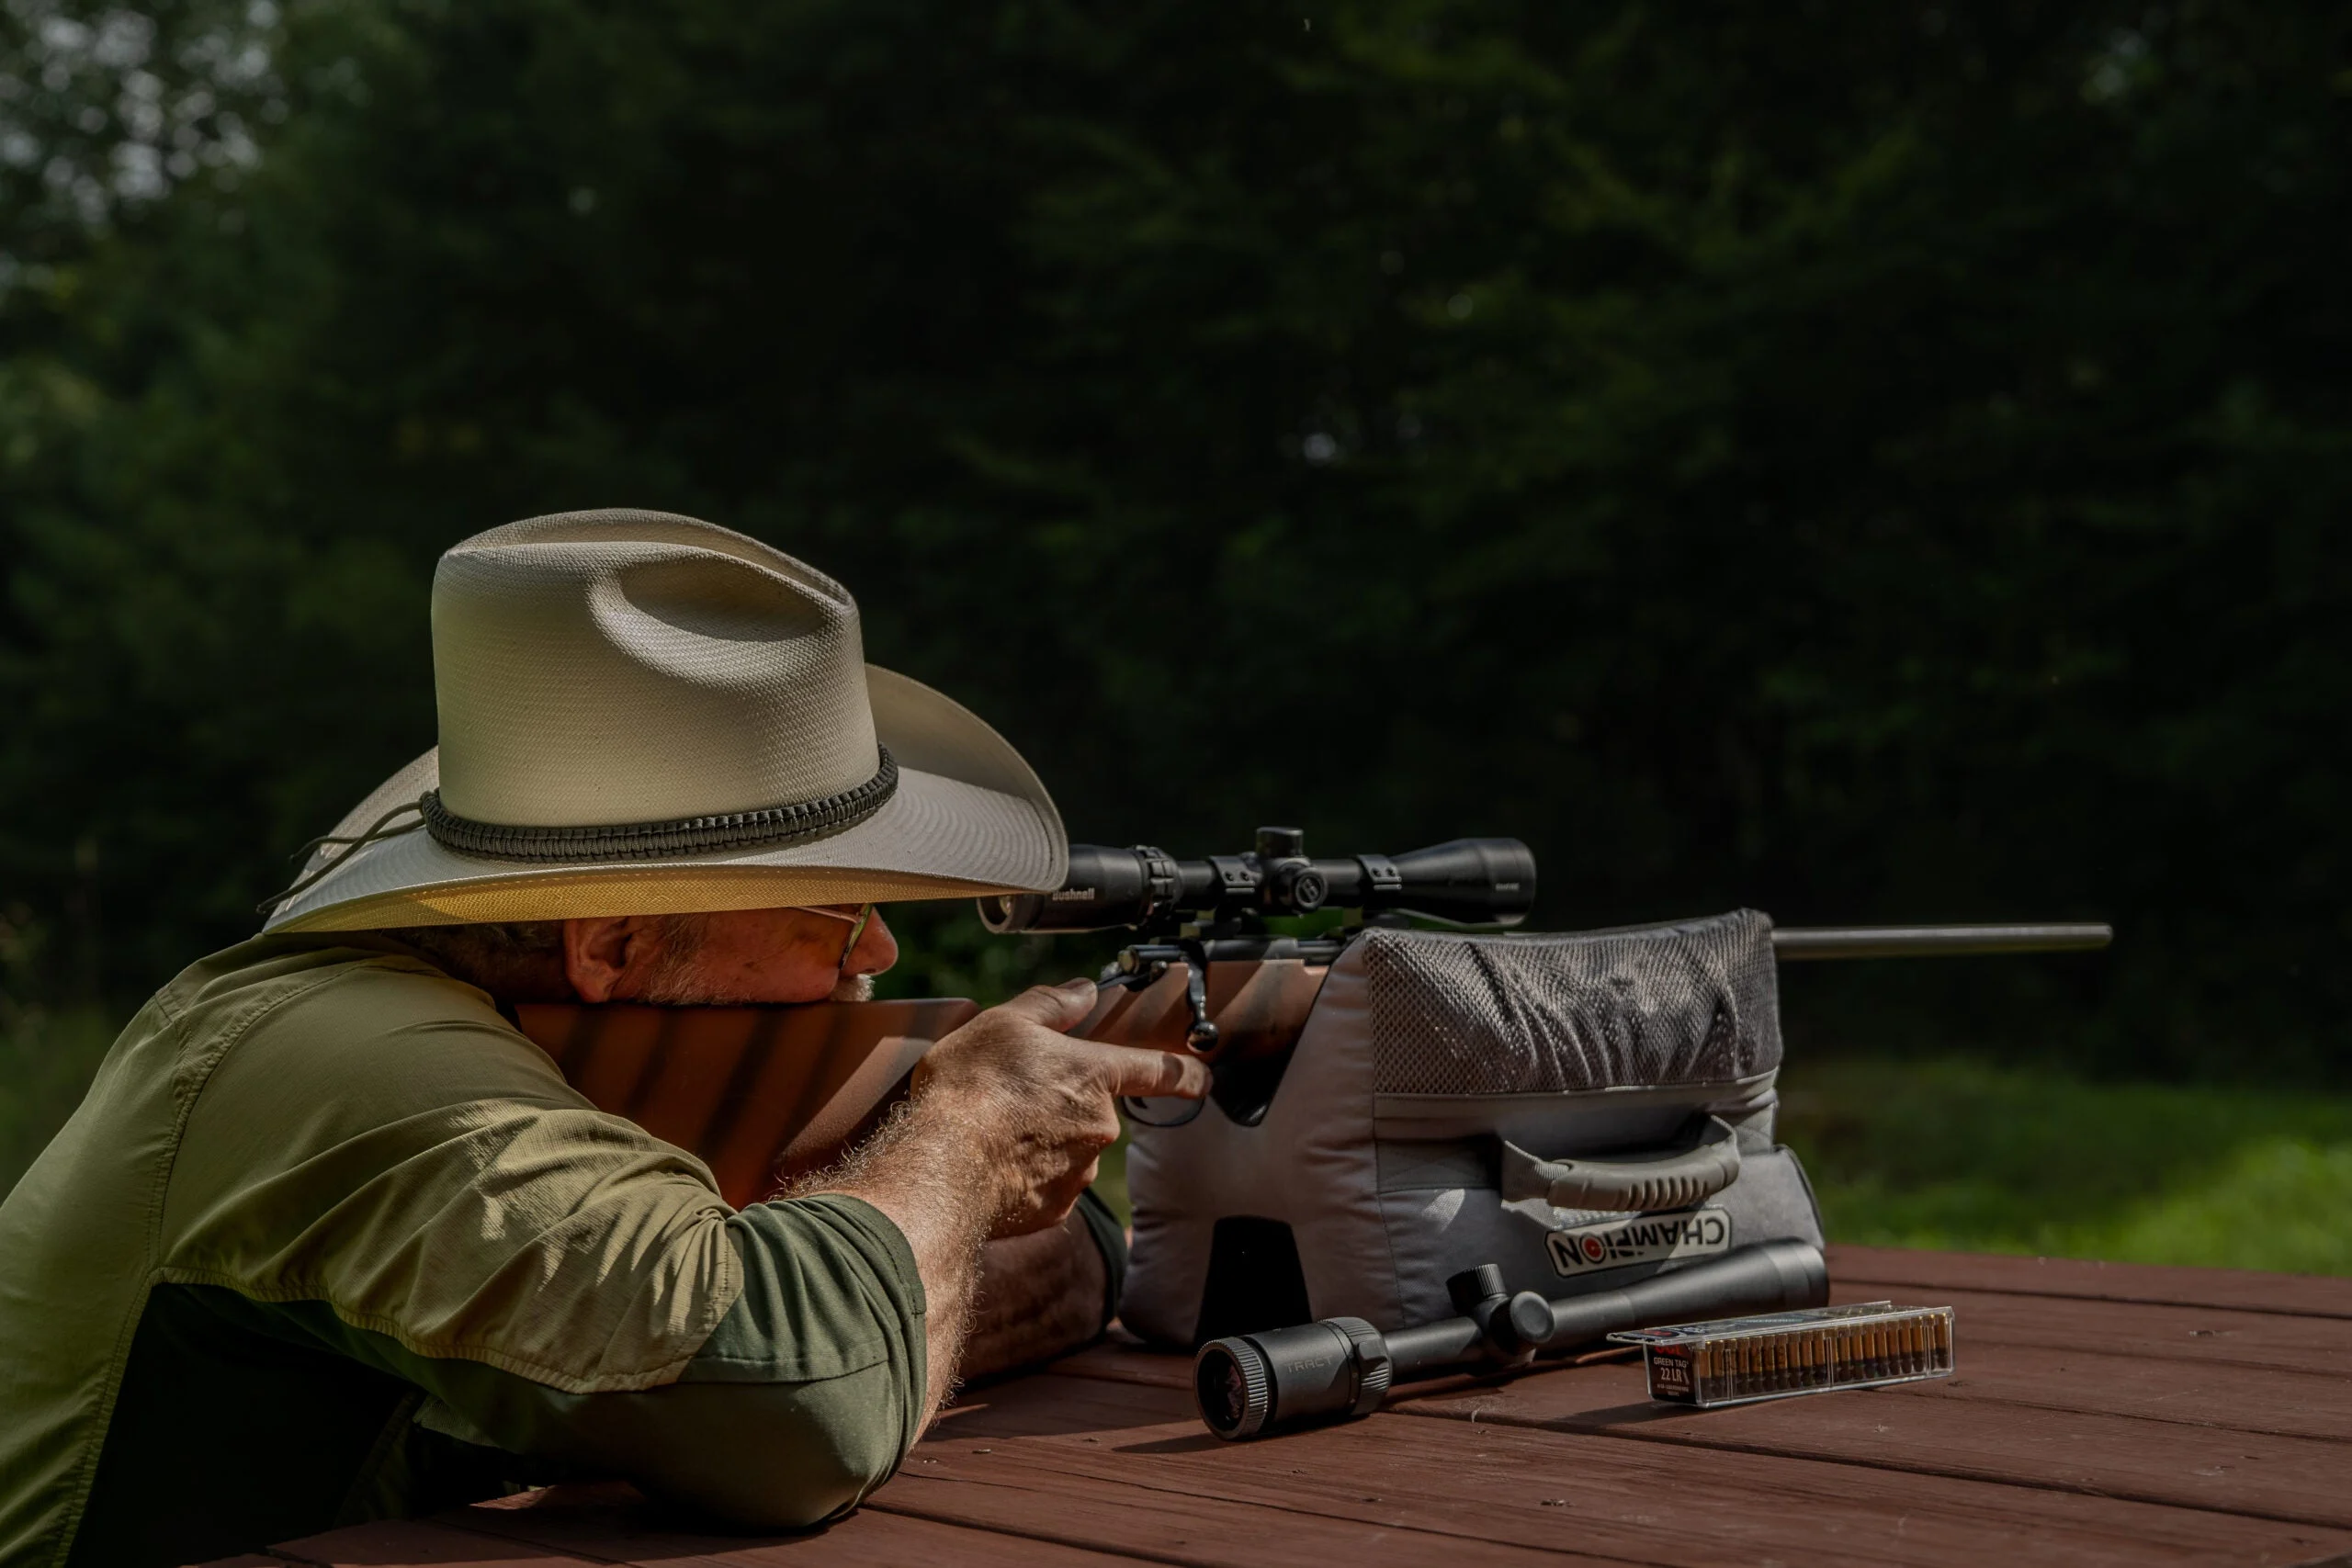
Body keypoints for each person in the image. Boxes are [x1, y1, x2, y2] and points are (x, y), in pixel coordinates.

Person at [0, 511, 1204, 1566]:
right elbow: (799, 1403)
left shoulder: (455, 1027)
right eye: (836, 916)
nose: (881, 953)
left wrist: (958, 1230)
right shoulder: (371, 1066)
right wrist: (960, 1142)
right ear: (616, 949)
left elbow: (1029, 1277)